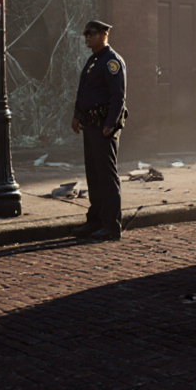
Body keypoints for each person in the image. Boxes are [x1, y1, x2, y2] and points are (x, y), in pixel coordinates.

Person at [71, 20, 127, 241]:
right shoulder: (93, 60)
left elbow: (118, 96)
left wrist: (110, 124)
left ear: (104, 34)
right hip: (90, 125)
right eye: (85, 34)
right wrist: (77, 115)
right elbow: (84, 90)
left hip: (103, 126)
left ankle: (111, 225)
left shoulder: (111, 61)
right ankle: (95, 220)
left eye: (91, 34)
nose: (87, 37)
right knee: (93, 175)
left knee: (106, 176)